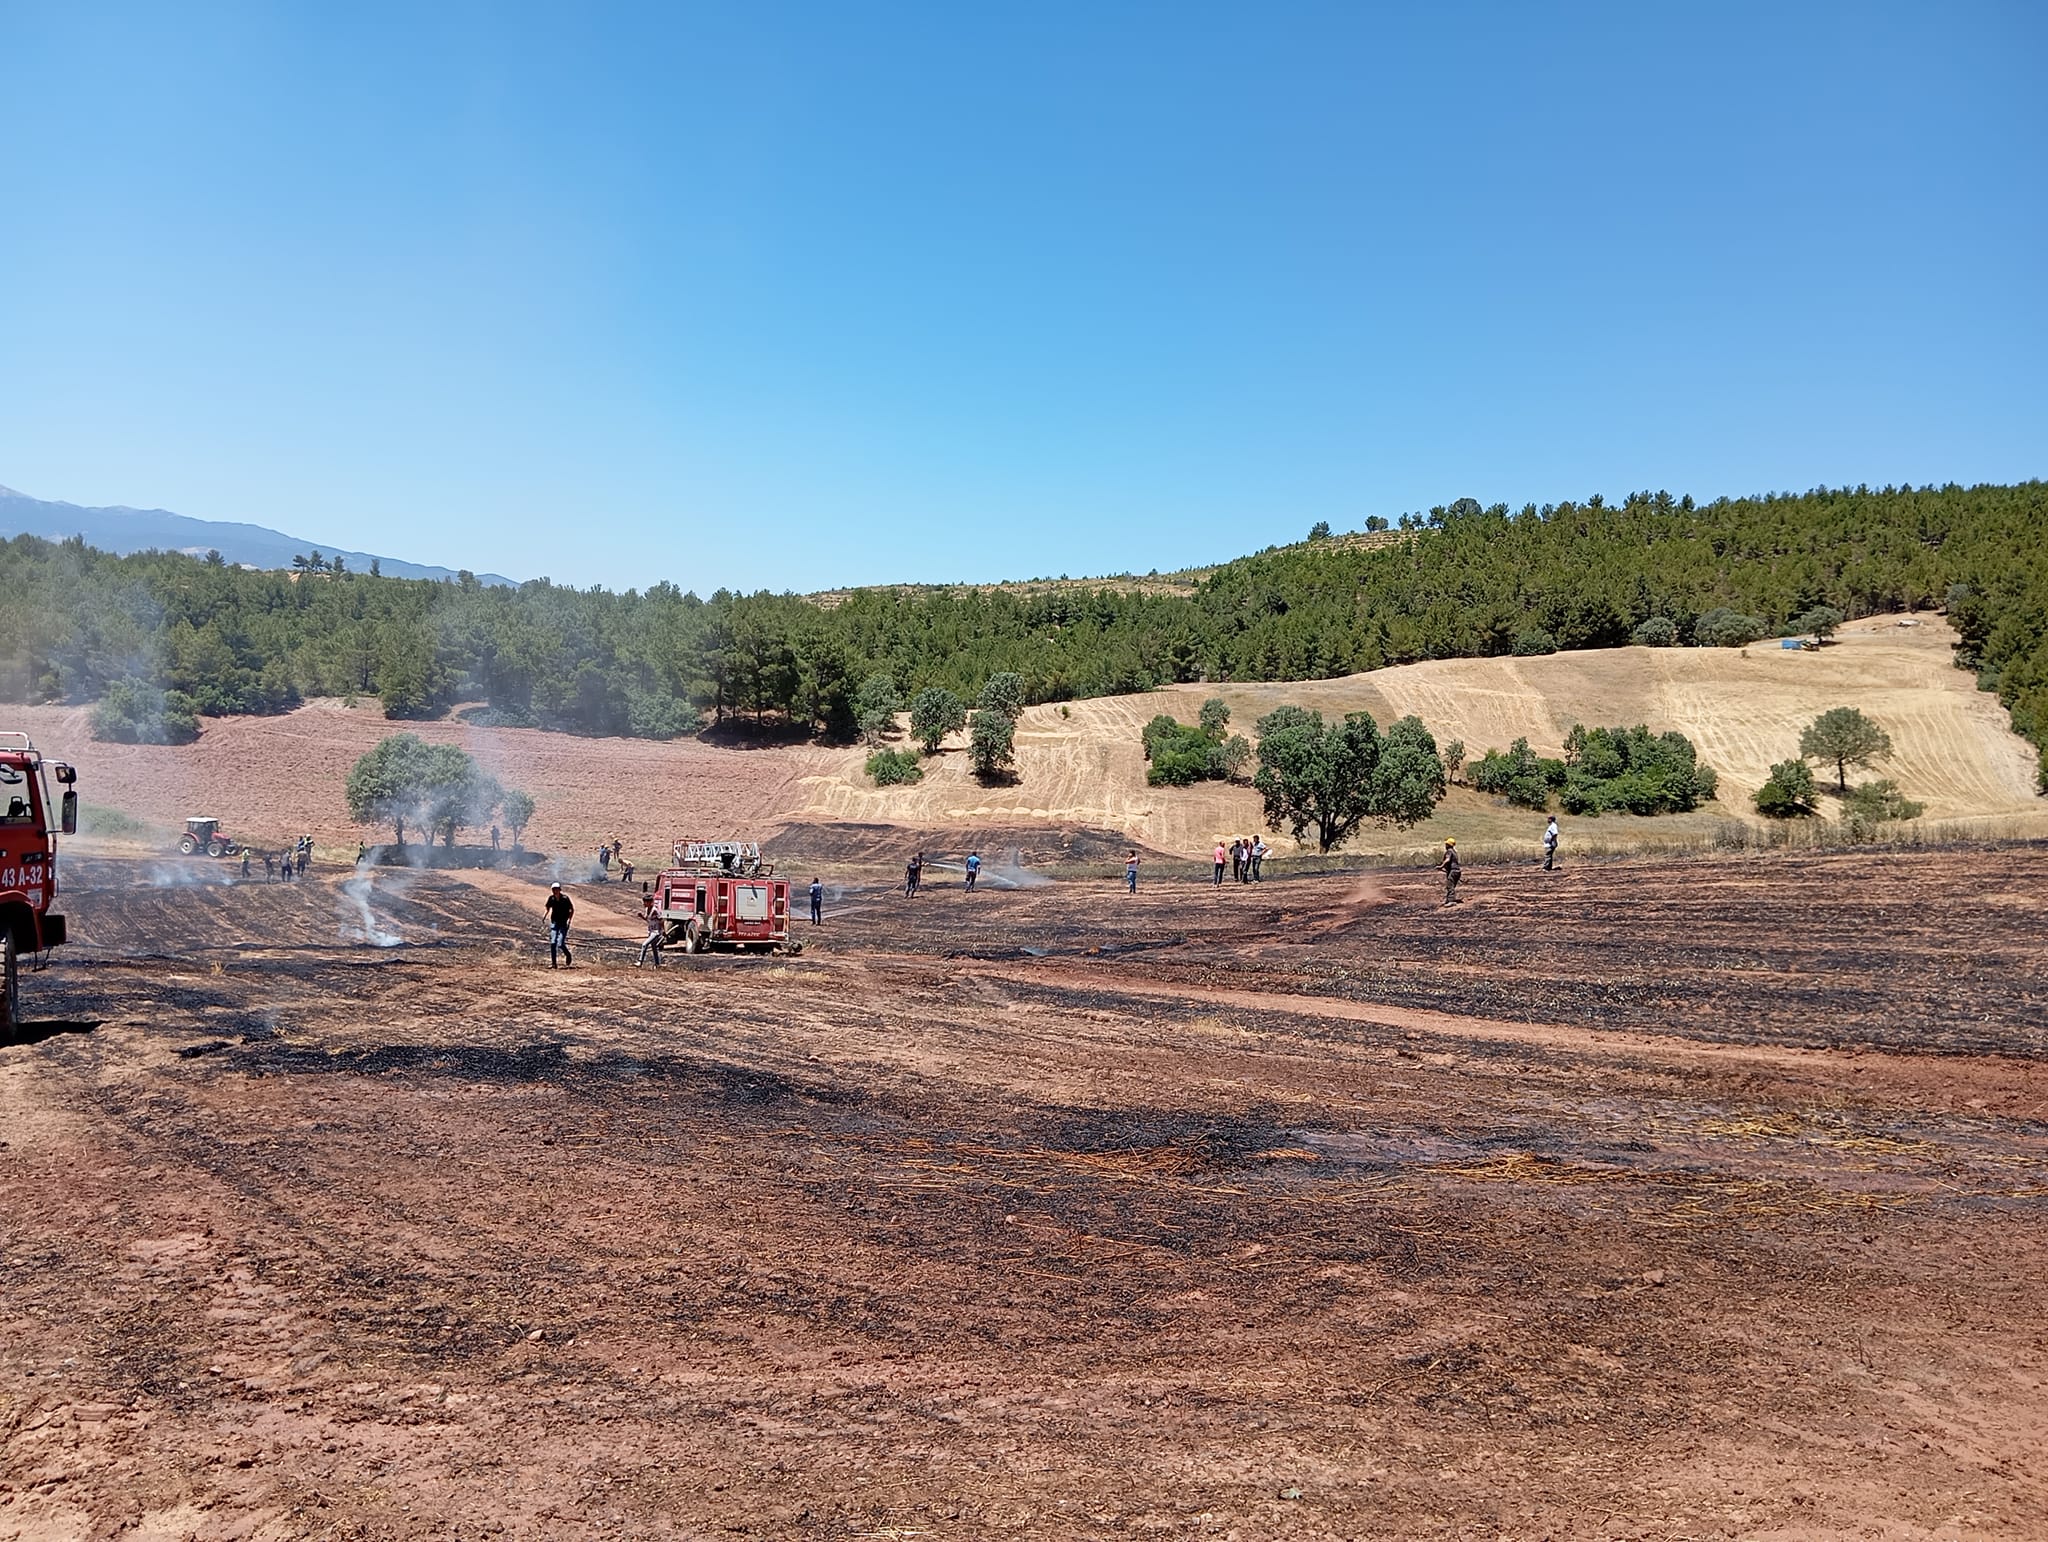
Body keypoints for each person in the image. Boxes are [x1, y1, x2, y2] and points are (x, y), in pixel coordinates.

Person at [544, 883, 575, 967]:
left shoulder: (565, 898)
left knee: (560, 944)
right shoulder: (551, 898)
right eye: (553, 889)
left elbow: (571, 909)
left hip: (563, 923)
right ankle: (554, 964)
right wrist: (545, 914)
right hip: (555, 923)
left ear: (559, 890)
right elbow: (547, 907)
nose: (555, 891)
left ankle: (568, 954)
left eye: (556, 889)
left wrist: (569, 920)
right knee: (553, 942)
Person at [637, 896, 665, 967]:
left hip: (656, 932)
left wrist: (663, 930)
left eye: (645, 902)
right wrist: (641, 916)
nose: (644, 904)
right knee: (654, 948)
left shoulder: (655, 910)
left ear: (650, 902)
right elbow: (647, 919)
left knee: (644, 945)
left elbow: (661, 920)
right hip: (651, 931)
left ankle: (640, 962)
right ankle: (657, 964)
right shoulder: (647, 909)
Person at [1439, 838, 1461, 906]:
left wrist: (1441, 866)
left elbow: (1447, 860)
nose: (1445, 845)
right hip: (1457, 871)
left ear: (1448, 845)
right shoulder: (1454, 852)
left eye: (1446, 844)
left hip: (1453, 871)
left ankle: (1451, 901)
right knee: (1451, 886)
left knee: (1450, 886)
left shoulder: (1449, 851)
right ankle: (1448, 900)